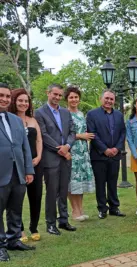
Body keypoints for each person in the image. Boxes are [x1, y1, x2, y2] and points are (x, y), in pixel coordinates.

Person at [0, 83, 35, 262]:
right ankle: (0, 246)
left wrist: (29, 169)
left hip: (18, 173)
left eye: (7, 96)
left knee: (15, 208)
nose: (4, 99)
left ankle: (14, 239)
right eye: (1, 95)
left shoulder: (15, 120)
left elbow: (25, 147)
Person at [35, 84, 76, 235]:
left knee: (64, 190)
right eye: (55, 94)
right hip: (51, 159)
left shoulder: (66, 112)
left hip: (66, 158)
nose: (57, 98)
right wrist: (62, 150)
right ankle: (51, 224)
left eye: (60, 95)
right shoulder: (39, 113)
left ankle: (64, 220)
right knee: (52, 192)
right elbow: (44, 136)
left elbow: (72, 132)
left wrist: (67, 146)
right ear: (48, 93)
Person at [9, 89, 43, 242]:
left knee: (35, 197)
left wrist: (39, 157)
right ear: (14, 101)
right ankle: (20, 230)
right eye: (20, 100)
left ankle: (34, 228)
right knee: (17, 199)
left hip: (35, 164)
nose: (23, 103)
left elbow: (39, 141)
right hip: (17, 166)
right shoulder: (9, 120)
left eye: (26, 101)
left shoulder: (33, 120)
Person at [87, 90, 126, 219]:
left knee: (113, 182)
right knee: (100, 183)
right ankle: (102, 209)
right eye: (107, 98)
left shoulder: (119, 115)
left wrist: (116, 148)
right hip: (99, 155)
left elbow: (122, 133)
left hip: (115, 155)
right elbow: (92, 134)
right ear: (101, 99)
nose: (109, 101)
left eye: (111, 99)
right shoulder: (92, 114)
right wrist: (105, 149)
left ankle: (114, 208)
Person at [65, 86, 95, 221]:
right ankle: (74, 210)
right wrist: (81, 136)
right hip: (72, 150)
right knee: (72, 181)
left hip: (83, 152)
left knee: (81, 181)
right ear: (66, 99)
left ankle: (81, 209)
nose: (74, 99)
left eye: (76, 97)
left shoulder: (82, 114)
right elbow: (64, 134)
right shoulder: (64, 114)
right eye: (71, 97)